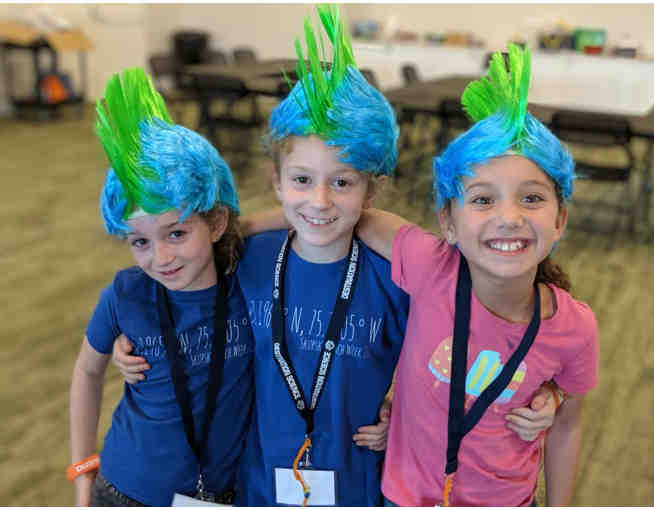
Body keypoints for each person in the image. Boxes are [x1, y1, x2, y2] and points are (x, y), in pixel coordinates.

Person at [111, 8, 560, 506]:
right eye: (302, 180)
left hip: (359, 482)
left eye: (342, 182)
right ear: (277, 181)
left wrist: (546, 394)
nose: (320, 202)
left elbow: (475, 340)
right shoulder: (248, 257)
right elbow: (181, 287)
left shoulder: (398, 274)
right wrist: (134, 341)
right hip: (259, 482)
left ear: (371, 189)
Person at [354, 44, 599, 506]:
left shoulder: (574, 327)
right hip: (405, 498)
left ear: (560, 220)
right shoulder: (431, 267)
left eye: (532, 198)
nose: (509, 217)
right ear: (448, 222)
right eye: (483, 199)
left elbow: (569, 427)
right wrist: (244, 226)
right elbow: (350, 214)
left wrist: (555, 400)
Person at [68, 68, 253, 506]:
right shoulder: (125, 294)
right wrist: (81, 472)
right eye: (140, 242)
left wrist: (243, 226)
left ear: (215, 223)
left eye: (176, 233)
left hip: (225, 491)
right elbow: (87, 372)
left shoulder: (251, 279)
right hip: (125, 490)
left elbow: (306, 221)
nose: (162, 258)